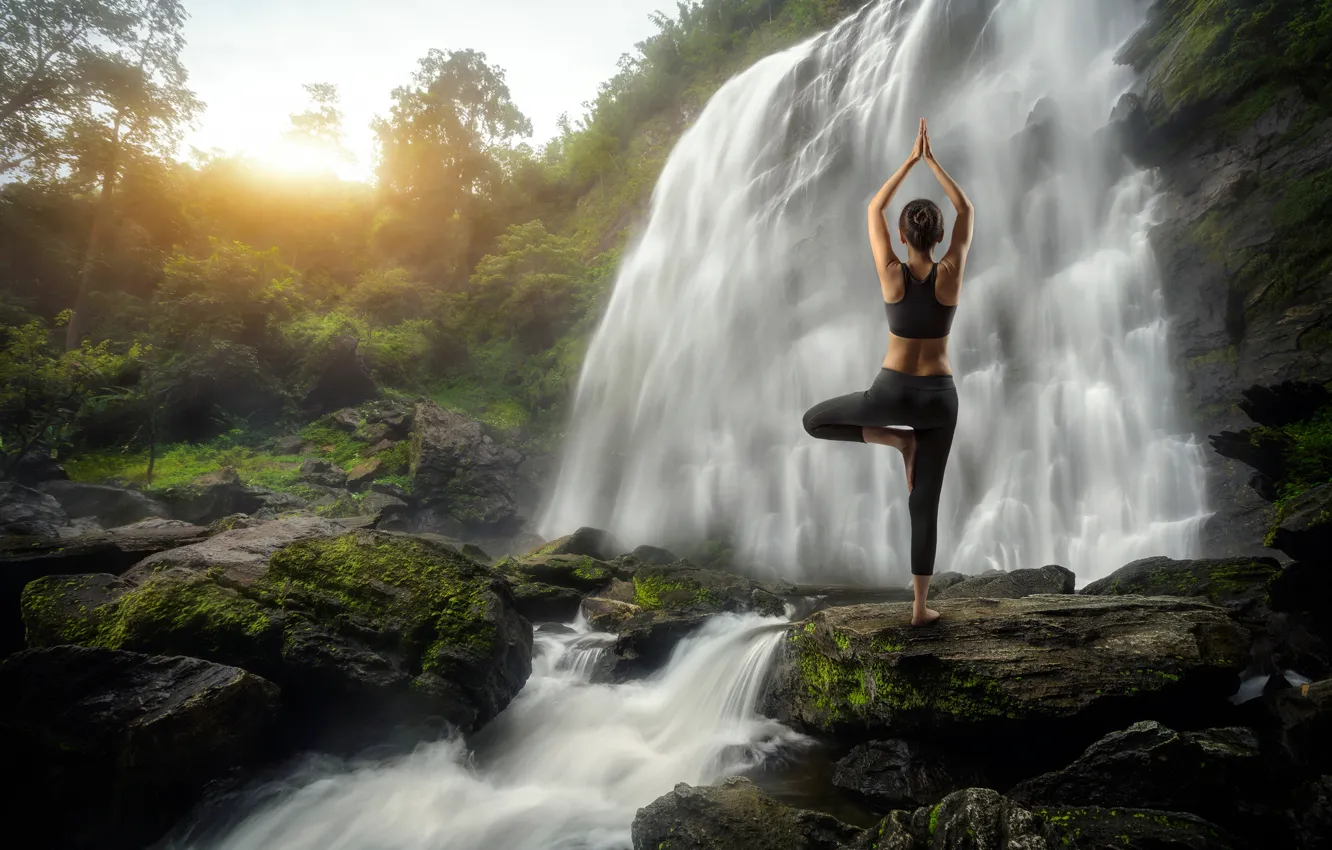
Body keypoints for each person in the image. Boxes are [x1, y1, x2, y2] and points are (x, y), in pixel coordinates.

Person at [802, 118, 974, 627]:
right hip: (940, 398)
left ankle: (897, 441)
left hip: (890, 394)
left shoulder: (891, 273)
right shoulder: (950, 272)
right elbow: (966, 209)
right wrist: (933, 163)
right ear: (940, 236)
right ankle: (920, 608)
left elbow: (873, 207)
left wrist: (909, 162)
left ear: (902, 236)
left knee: (814, 421)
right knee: (925, 503)